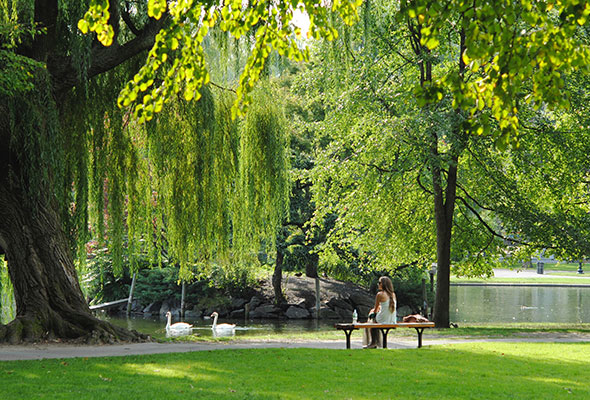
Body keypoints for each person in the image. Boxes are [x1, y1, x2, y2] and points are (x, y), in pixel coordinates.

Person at [363, 276, 397, 349]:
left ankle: (373, 342)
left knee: (371, 321)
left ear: (383, 284)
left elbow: (375, 310)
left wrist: (371, 313)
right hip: (392, 320)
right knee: (374, 320)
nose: (378, 284)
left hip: (383, 320)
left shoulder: (380, 294)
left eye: (379, 283)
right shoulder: (393, 294)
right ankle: (376, 342)